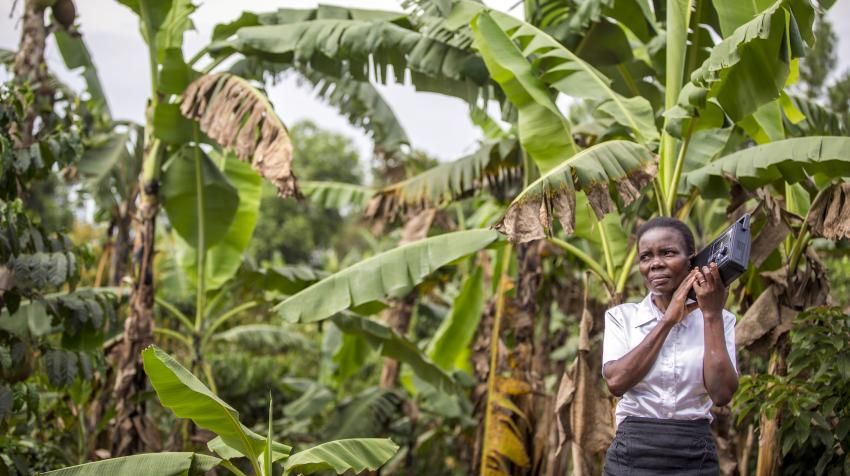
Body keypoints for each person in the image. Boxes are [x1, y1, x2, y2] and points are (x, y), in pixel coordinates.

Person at [601, 217, 739, 475]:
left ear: (692, 260)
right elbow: (616, 382)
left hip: (694, 454)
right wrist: (667, 321)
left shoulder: (721, 319)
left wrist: (711, 315)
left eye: (667, 253)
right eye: (646, 257)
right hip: (631, 454)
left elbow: (722, 394)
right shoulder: (622, 317)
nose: (655, 264)